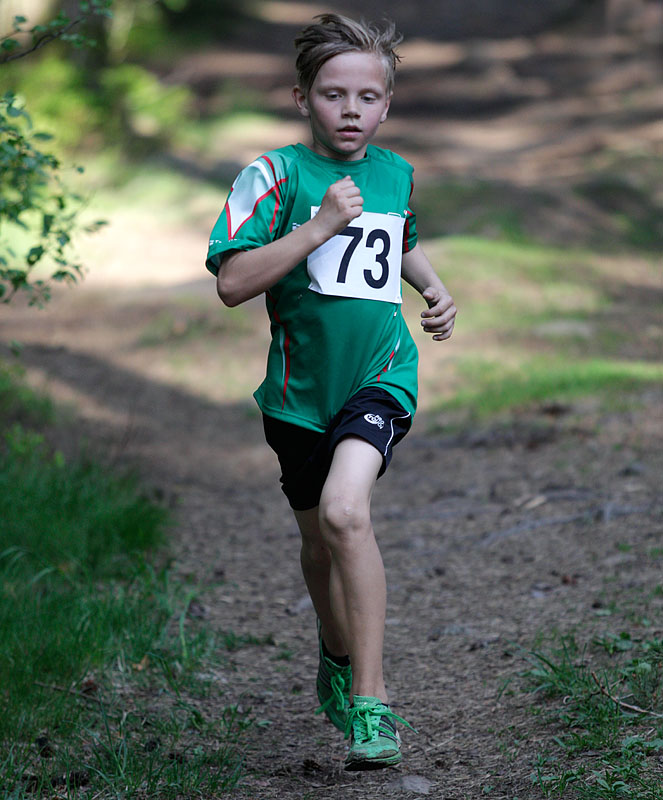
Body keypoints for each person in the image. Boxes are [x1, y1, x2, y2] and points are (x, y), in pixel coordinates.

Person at [206, 13, 456, 771]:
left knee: (348, 514)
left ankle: (371, 703)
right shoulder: (273, 176)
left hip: (379, 375)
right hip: (298, 397)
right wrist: (316, 228)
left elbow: (398, 241)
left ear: (387, 104)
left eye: (368, 97)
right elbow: (232, 283)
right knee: (319, 541)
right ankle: (336, 650)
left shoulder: (395, 172)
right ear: (301, 98)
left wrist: (434, 288)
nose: (351, 111)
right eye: (333, 94)